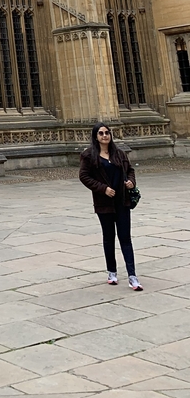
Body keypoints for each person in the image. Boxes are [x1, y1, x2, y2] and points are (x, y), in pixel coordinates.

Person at [79, 123, 142, 291]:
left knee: (125, 238)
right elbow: (84, 176)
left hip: (122, 201)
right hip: (104, 203)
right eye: (101, 133)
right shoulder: (89, 156)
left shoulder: (119, 154)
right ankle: (112, 272)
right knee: (109, 238)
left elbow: (130, 171)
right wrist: (103, 189)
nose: (105, 136)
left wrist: (131, 182)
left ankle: (132, 276)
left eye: (107, 133)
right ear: (96, 136)